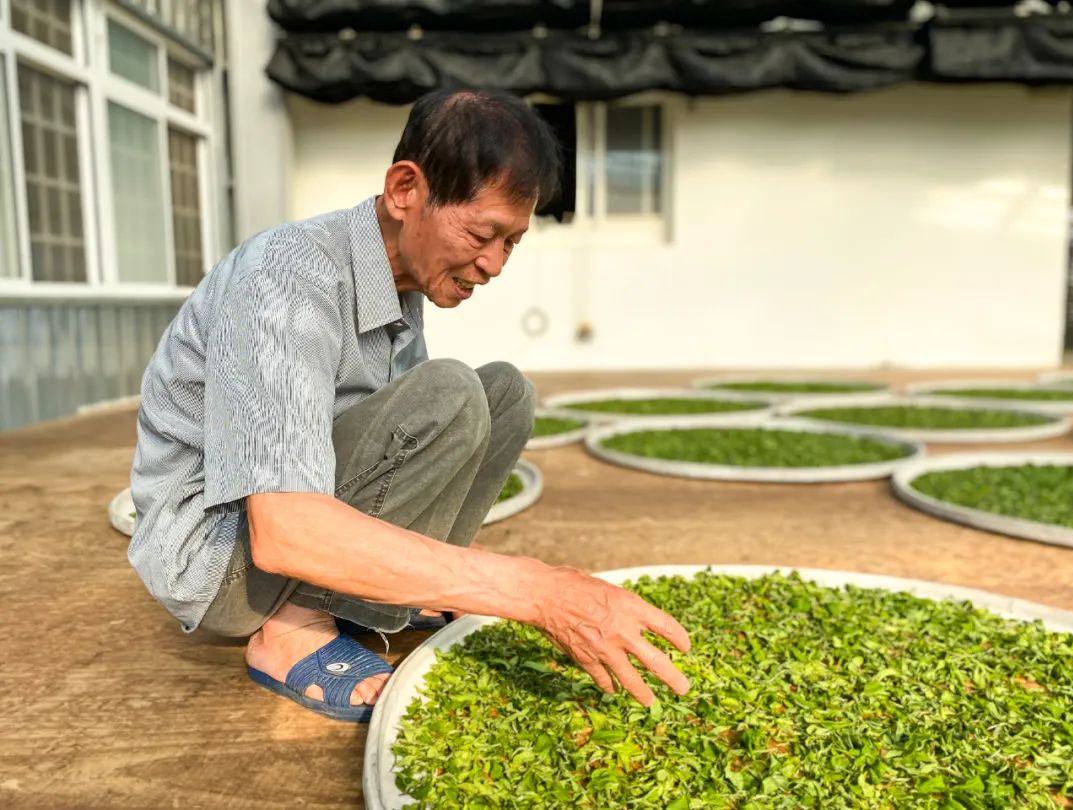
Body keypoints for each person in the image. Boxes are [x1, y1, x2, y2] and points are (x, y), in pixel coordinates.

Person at [128, 89, 690, 721]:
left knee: (504, 394)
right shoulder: (285, 278)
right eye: (483, 234)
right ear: (404, 190)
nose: (494, 264)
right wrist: (535, 590)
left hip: (287, 524)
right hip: (219, 560)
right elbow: (285, 531)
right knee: (449, 392)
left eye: (512, 242)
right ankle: (290, 629)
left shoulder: (400, 281)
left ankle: (373, 600)